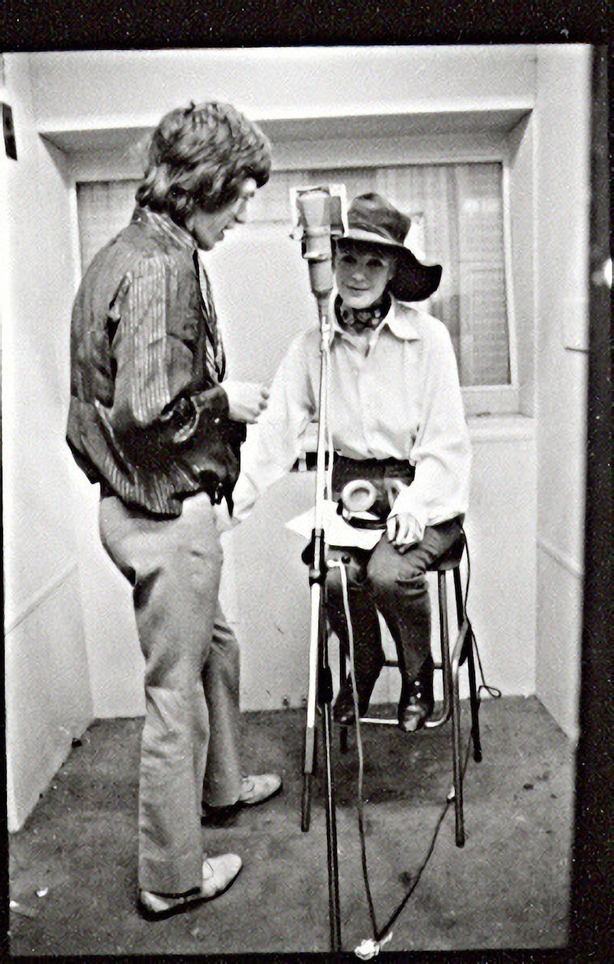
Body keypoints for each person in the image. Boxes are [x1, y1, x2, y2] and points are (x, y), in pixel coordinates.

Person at [66, 101, 282, 921]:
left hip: (130, 507)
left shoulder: (122, 251)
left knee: (214, 652)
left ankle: (221, 790)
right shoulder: (162, 268)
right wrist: (227, 401)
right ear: (205, 186)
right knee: (172, 695)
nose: (243, 215)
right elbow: (147, 412)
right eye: (240, 197)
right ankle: (170, 876)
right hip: (164, 518)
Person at [233, 192, 472, 733]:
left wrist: (417, 502)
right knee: (333, 576)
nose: (358, 274)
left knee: (388, 574)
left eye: (374, 262)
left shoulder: (428, 340)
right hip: (348, 493)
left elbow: (446, 442)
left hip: (420, 488)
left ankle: (417, 676)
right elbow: (275, 438)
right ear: (332, 263)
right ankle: (362, 664)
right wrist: (230, 506)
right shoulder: (313, 346)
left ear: (392, 271)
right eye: (347, 259)